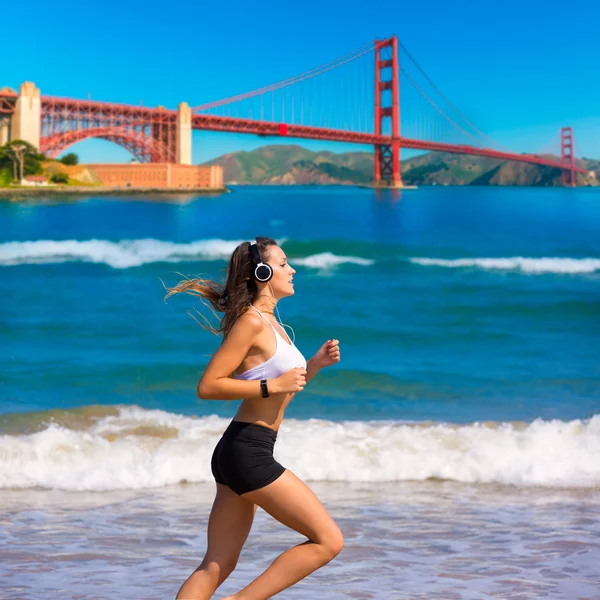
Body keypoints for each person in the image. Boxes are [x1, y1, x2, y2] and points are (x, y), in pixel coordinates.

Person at [165, 236, 343, 600]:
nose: (291, 270)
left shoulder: (272, 324)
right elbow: (209, 386)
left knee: (218, 563)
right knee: (328, 541)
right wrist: (272, 384)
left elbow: (283, 387)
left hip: (240, 450)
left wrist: (314, 366)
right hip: (248, 451)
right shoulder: (251, 322)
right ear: (262, 273)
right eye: (282, 264)